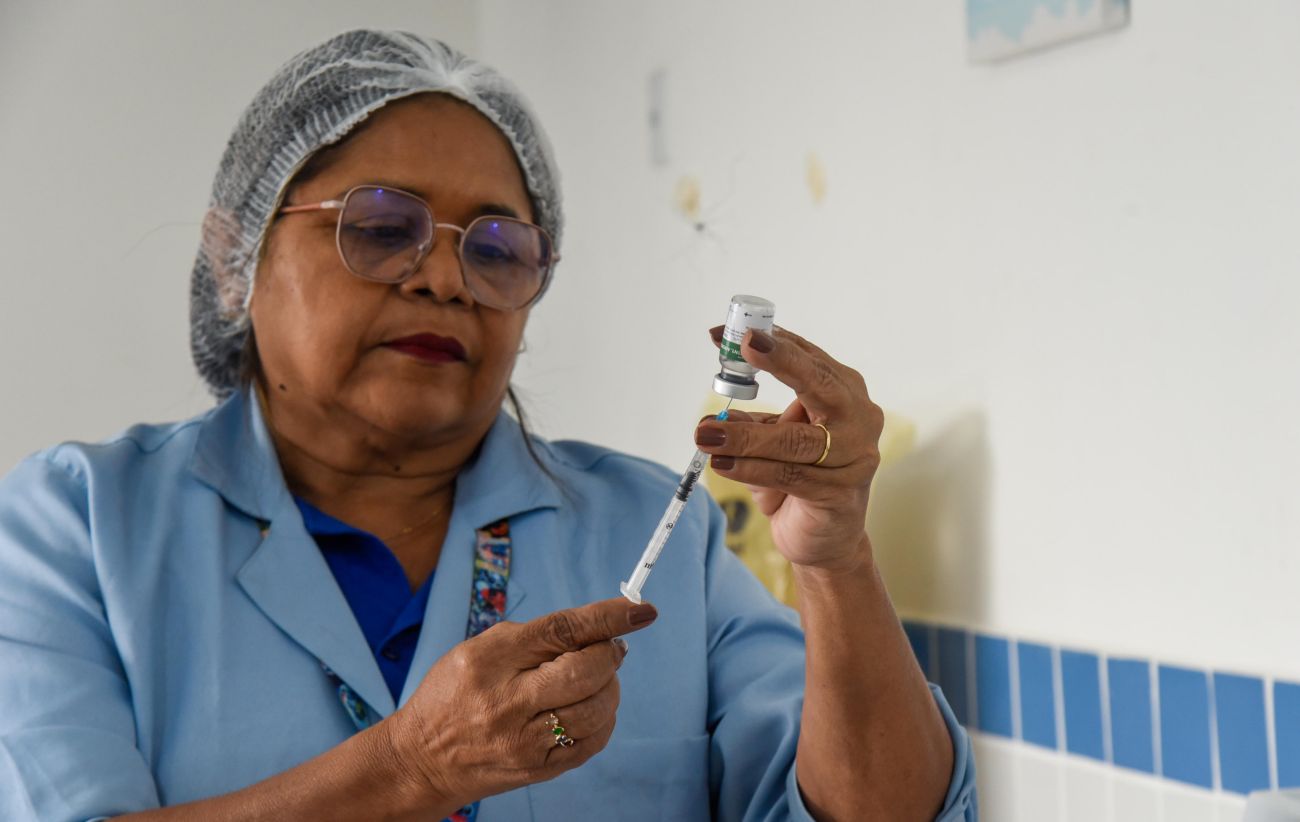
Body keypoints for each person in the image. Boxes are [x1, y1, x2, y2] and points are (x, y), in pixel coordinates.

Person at [0, 29, 976, 821]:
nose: (444, 277)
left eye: (498, 248)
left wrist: (837, 562)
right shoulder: (79, 527)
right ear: (234, 261)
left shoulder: (652, 532)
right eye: (381, 227)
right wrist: (409, 770)